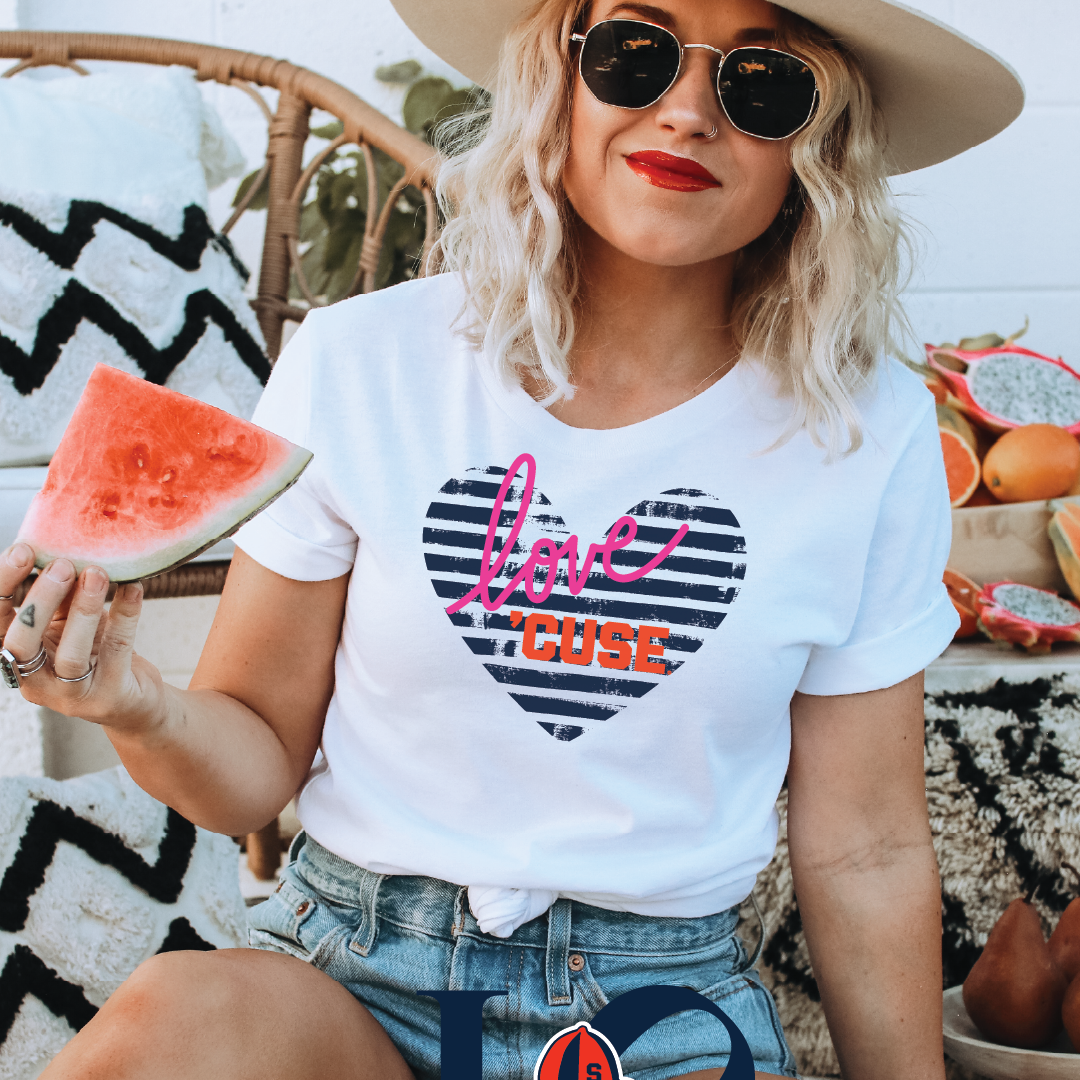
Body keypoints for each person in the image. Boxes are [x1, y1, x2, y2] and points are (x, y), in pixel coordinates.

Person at [6, 0, 1021, 1077]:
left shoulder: (866, 428)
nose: (684, 113)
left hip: (655, 1015)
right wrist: (134, 702)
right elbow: (250, 770)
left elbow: (865, 847)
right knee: (176, 1018)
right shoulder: (363, 362)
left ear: (818, 147)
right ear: (560, 76)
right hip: (355, 980)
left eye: (762, 83)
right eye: (638, 52)